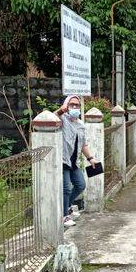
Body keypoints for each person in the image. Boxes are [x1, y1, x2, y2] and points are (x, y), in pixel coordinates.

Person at [56, 95, 98, 227]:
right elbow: (51, 118)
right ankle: (64, 216)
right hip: (63, 160)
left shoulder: (80, 124)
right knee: (67, 188)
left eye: (77, 105)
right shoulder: (62, 119)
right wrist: (61, 111)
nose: (74, 107)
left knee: (80, 185)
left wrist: (91, 158)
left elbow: (83, 144)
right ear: (66, 106)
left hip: (73, 162)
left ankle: (67, 206)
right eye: (71, 104)